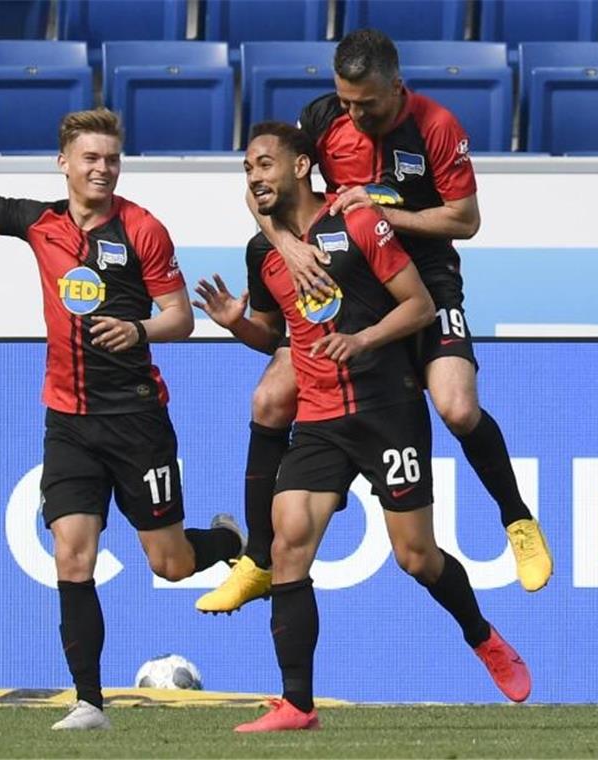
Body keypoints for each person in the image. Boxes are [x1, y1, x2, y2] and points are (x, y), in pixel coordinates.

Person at [0, 59, 245, 731]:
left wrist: (136, 328)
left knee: (169, 564)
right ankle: (89, 703)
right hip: (68, 422)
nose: (102, 168)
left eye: (111, 158)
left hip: (137, 419)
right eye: (90, 158)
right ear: (64, 164)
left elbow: (179, 318)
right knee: (72, 555)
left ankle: (224, 541)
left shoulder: (143, 231)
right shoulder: (39, 222)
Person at [195, 29, 551, 615]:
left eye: (367, 103)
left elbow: (465, 220)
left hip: (425, 280)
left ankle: (517, 521)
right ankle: (258, 559)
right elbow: (264, 181)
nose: (354, 114)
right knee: (268, 401)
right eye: (346, 101)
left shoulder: (436, 127)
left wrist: (381, 212)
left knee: (458, 407)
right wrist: (284, 245)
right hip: (350, 278)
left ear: (397, 87)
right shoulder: (323, 117)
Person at [194, 122, 531, 731]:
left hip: (387, 411)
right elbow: (273, 335)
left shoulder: (358, 222)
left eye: (265, 164)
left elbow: (419, 306)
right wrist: (234, 324)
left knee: (416, 556)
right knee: (289, 538)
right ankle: (297, 703)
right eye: (247, 170)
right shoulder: (262, 252)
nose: (255, 178)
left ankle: (482, 636)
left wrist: (364, 338)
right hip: (320, 419)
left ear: (301, 166)